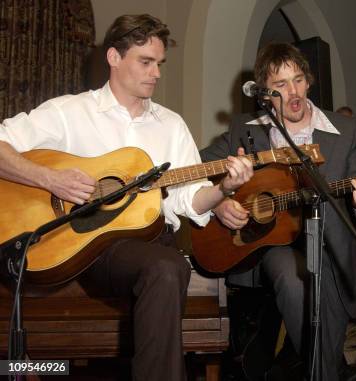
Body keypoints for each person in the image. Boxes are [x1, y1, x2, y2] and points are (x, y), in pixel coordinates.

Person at [0, 14, 253, 380]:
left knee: (168, 265)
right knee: (166, 266)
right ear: (114, 58)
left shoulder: (171, 124)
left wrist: (223, 189)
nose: (157, 73)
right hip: (83, 244)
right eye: (145, 62)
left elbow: (186, 201)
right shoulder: (69, 112)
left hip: (147, 243)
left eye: (159, 63)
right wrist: (51, 179)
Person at [201, 42, 356, 380]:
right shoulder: (247, 129)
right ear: (265, 94)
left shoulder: (346, 132)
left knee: (322, 276)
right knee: (294, 276)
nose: (293, 92)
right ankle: (333, 372)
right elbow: (198, 163)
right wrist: (220, 201)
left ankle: (330, 371)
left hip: (332, 246)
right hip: (271, 244)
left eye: (298, 80)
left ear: (309, 82)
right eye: (280, 86)